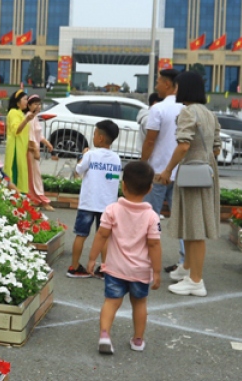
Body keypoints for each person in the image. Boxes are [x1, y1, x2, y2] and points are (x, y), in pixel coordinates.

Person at [153, 71, 220, 297]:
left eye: (179, 87)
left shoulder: (188, 112)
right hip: (205, 171)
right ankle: (188, 270)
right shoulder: (209, 113)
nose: (176, 90)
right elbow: (216, 148)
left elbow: (183, 145)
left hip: (191, 171)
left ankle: (195, 280)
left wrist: (167, 170)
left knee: (195, 228)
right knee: (193, 226)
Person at [87, 160, 161, 354]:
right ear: (150, 188)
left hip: (115, 268)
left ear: (123, 185)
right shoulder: (152, 217)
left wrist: (92, 258)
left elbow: (102, 235)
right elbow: (154, 244)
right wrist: (157, 270)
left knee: (111, 302)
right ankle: (137, 340)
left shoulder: (112, 210)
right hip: (141, 270)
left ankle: (104, 335)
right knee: (140, 303)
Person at [66, 120, 123, 278]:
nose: (93, 136)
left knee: (81, 234)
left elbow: (78, 170)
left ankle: (74, 266)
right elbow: (112, 178)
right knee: (104, 236)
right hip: (107, 204)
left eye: (95, 134)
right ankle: (104, 268)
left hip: (88, 203)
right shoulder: (116, 158)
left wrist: (83, 156)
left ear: (100, 138)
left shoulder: (90, 154)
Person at [140, 69, 183, 270]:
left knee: (151, 216)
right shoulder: (187, 108)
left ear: (167, 84)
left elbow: (150, 140)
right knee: (181, 219)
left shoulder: (158, 109)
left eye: (158, 82)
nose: (156, 86)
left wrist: (142, 162)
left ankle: (147, 258)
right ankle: (185, 261)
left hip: (157, 171)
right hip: (180, 172)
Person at [21, 95, 55, 208]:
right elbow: (30, 137)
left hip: (34, 150)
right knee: (35, 177)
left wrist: (47, 143)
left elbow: (38, 134)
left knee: (34, 176)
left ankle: (35, 199)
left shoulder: (34, 117)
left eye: (39, 104)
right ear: (29, 106)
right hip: (31, 151)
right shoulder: (29, 117)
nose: (38, 106)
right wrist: (35, 151)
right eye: (35, 104)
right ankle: (42, 201)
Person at [3, 90, 31, 193]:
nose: (26, 102)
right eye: (25, 99)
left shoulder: (20, 113)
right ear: (17, 101)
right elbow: (16, 130)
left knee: (21, 172)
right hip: (15, 149)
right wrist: (26, 120)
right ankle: (15, 196)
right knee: (16, 173)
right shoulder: (13, 113)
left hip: (21, 148)